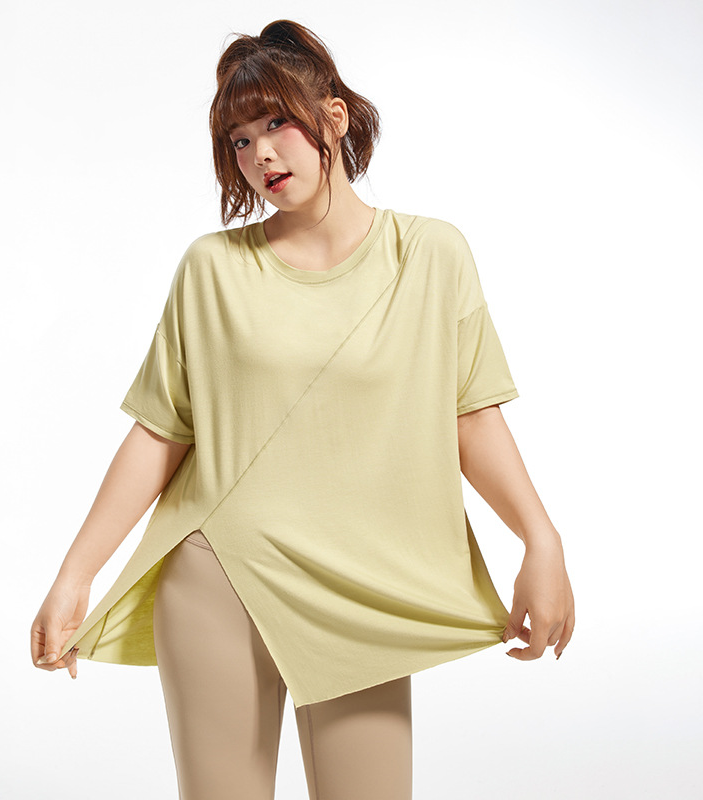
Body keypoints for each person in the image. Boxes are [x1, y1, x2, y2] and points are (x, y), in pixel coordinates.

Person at [31, 18, 575, 800]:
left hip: (364, 584)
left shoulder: (430, 256)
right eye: (240, 139)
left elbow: (470, 417)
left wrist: (540, 539)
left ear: (334, 117)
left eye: (277, 123)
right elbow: (159, 432)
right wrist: (74, 576)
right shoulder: (213, 270)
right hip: (221, 573)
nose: (260, 154)